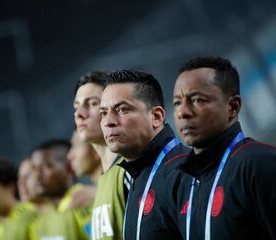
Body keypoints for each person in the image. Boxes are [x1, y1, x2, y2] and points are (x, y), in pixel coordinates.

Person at [172, 56, 276, 239]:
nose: (183, 112)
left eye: (197, 100)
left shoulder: (259, 163)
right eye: (177, 102)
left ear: (233, 107)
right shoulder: (185, 183)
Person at [100, 70, 187, 239]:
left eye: (122, 109)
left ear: (156, 116)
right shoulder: (136, 173)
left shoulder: (184, 171)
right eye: (104, 112)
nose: (109, 121)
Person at [74, 71, 130, 240]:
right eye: (76, 106)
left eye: (91, 103)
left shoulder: (129, 171)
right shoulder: (103, 181)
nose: (79, 114)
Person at [30, 139, 91, 239]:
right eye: (34, 168)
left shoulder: (85, 202)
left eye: (47, 166)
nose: (37, 174)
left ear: (69, 167)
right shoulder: (45, 215)